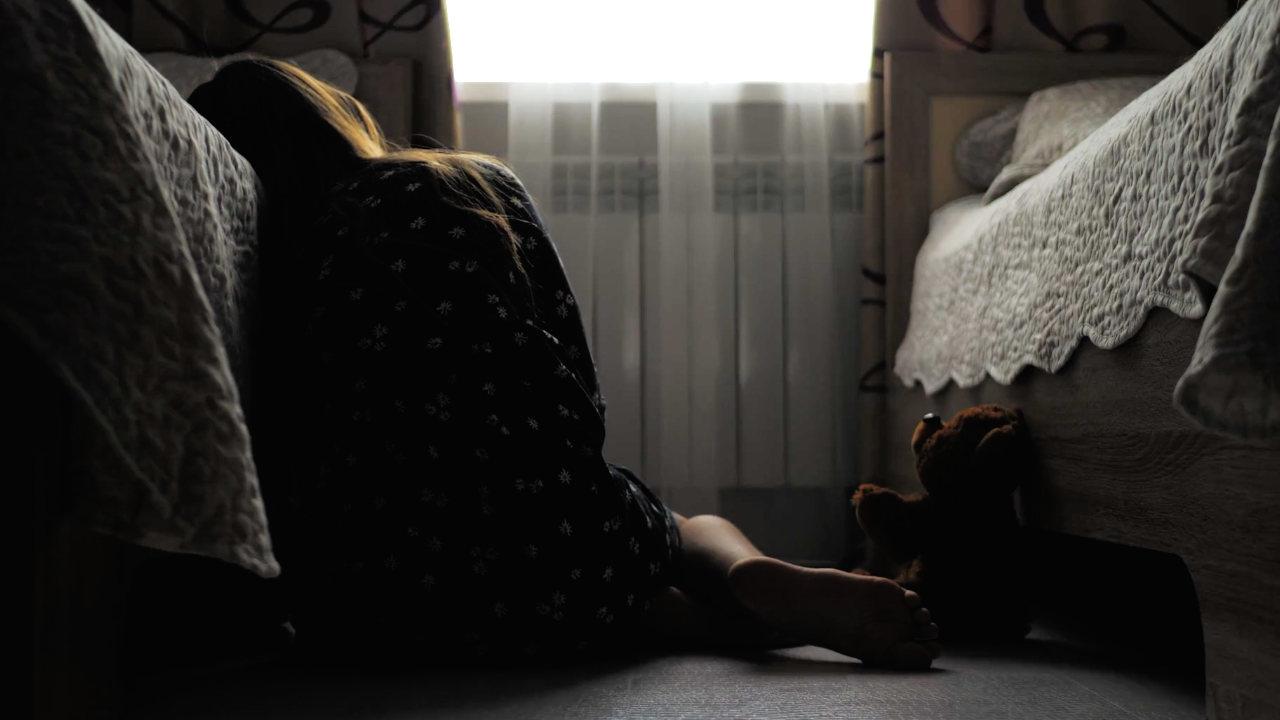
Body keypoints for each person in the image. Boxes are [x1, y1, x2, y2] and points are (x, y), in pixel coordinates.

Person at [187, 58, 940, 668]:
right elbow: (576, 391)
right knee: (670, 526)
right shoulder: (463, 182)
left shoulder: (262, 279)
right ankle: (747, 577)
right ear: (328, 118)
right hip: (558, 549)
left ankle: (711, 628)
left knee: (581, 600)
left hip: (375, 601)